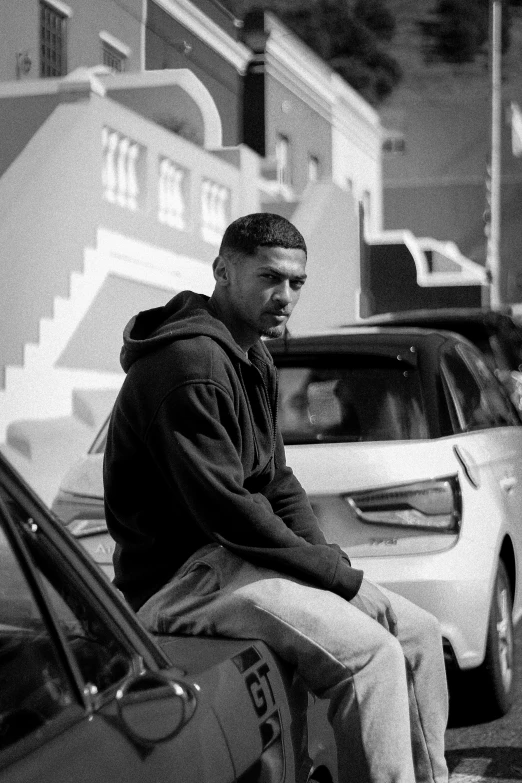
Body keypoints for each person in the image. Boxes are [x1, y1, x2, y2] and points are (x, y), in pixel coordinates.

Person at [104, 212, 449, 783]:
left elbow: (276, 483)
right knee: (371, 657)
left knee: (418, 633)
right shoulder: (190, 365)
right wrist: (339, 583)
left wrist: (332, 570)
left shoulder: (252, 355)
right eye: (270, 278)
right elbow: (230, 513)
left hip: (233, 564)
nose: (285, 296)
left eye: (296, 283)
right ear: (222, 271)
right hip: (182, 581)